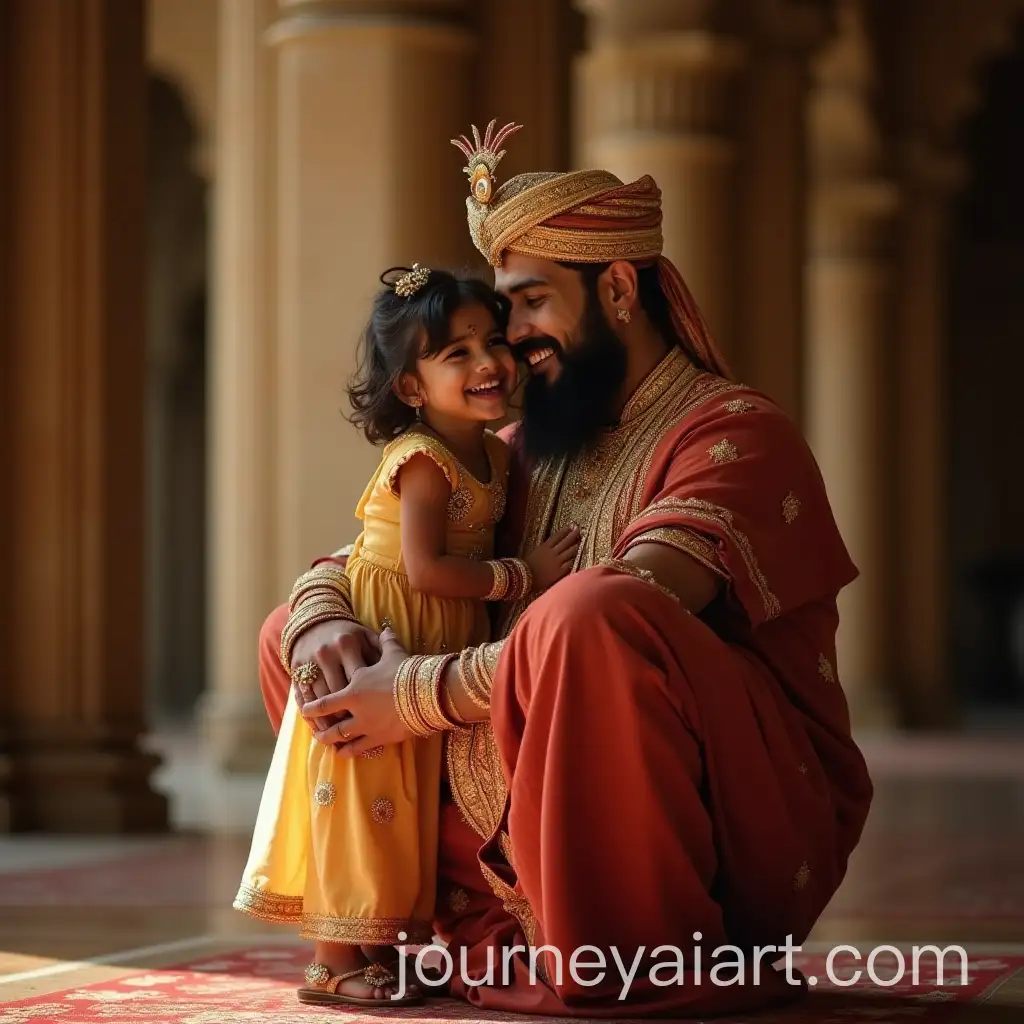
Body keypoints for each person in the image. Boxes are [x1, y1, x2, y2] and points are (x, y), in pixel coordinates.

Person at [255, 120, 874, 1017]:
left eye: (530, 302)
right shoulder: (521, 447)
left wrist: (416, 693)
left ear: (618, 287)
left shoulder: (734, 434)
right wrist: (322, 618)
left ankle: (626, 947)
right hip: (510, 775)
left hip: (729, 816)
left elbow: (626, 613)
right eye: (500, 315)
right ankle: (424, 925)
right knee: (301, 641)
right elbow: (367, 556)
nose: (510, 341)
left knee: (586, 615)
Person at [234, 264, 579, 1008]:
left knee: (401, 804)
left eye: (493, 342)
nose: (488, 363)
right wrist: (523, 576)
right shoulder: (422, 461)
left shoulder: (491, 450)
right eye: (457, 354)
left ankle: (380, 944)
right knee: (357, 791)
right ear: (413, 388)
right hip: (388, 634)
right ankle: (331, 961)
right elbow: (424, 570)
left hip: (432, 639)